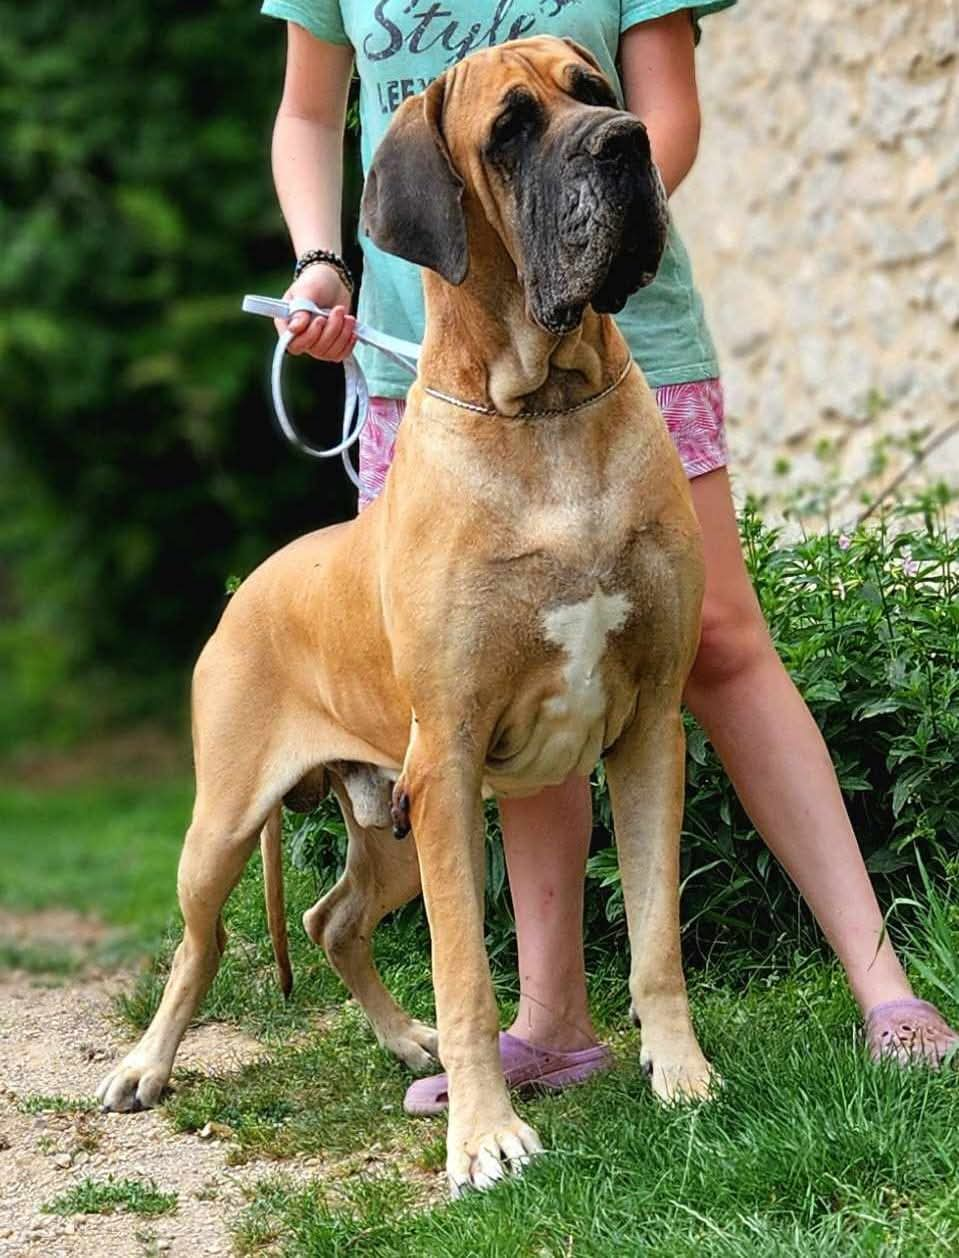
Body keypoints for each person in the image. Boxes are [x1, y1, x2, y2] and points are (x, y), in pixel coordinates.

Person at [259, 0, 958, 1108]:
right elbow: (309, 111)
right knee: (505, 690)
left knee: (718, 642)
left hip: (629, 348)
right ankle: (554, 1022)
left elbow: (655, 117)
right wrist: (318, 263)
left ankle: (883, 985)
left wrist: (597, 222)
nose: (584, 119)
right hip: (432, 368)